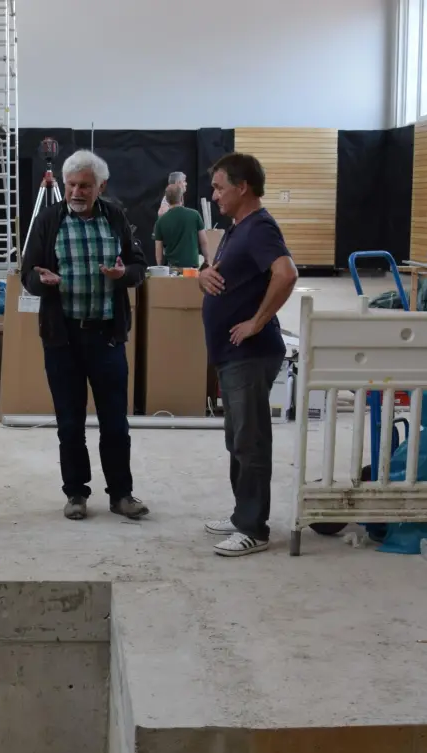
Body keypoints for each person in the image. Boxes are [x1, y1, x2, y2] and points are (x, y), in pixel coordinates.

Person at [21, 150, 150, 522]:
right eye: (72, 185)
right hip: (63, 340)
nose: (77, 192)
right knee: (69, 423)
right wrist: (40, 282)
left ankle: (121, 494)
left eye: (85, 186)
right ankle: (76, 493)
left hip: (107, 338)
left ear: (101, 187)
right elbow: (28, 272)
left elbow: (139, 267)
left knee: (115, 422)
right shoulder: (49, 220)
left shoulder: (116, 218)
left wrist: (123, 275)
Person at [197, 153, 297, 557]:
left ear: (243, 187)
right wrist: (204, 274)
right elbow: (229, 276)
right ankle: (243, 514)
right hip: (232, 354)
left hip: (250, 353)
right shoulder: (239, 228)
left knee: (251, 442)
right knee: (237, 440)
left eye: (220, 187)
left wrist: (256, 322)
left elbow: (286, 273)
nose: (215, 194)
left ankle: (254, 528)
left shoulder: (259, 228)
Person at [153, 182, 207, 268]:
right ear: (181, 197)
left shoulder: (160, 221)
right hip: (191, 269)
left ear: (166, 200)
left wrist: (160, 267)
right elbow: (204, 242)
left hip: (172, 269)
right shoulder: (195, 215)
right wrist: (207, 261)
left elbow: (158, 250)